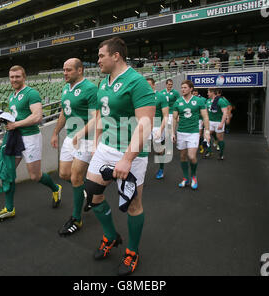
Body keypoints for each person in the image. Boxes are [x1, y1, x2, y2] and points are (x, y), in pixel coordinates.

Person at [85, 37, 156, 276]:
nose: (98, 61)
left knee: (133, 204)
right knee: (92, 193)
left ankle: (132, 252)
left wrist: (127, 158)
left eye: (101, 56)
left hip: (131, 152)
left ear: (116, 56)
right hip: (106, 147)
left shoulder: (137, 82)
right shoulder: (103, 83)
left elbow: (145, 123)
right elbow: (100, 116)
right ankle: (110, 236)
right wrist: (95, 142)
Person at [0, 65, 62, 224]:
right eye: (11, 77)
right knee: (7, 172)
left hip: (30, 138)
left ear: (24, 77)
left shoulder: (31, 93)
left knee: (35, 176)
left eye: (17, 76)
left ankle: (56, 189)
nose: (14, 79)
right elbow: (16, 116)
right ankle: (9, 209)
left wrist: (16, 124)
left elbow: (37, 117)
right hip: (15, 137)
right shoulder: (12, 96)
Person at [51, 58, 98, 236]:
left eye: (69, 70)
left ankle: (76, 219)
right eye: (64, 70)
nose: (65, 73)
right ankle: (88, 190)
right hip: (70, 138)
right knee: (64, 174)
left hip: (85, 139)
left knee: (76, 176)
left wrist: (81, 133)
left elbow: (96, 117)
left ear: (80, 70)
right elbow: (64, 112)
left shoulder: (91, 88)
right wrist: (55, 132)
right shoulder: (65, 88)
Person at [172, 80, 210, 189]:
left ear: (191, 89)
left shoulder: (199, 101)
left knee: (192, 156)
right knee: (183, 156)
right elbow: (174, 118)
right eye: (182, 87)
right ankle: (185, 178)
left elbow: (205, 117)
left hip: (193, 132)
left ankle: (193, 176)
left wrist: (207, 131)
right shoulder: (178, 102)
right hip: (181, 132)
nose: (182, 89)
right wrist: (172, 133)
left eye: (185, 87)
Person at [146, 78, 169, 180]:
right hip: (145, 126)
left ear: (154, 85)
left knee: (158, 150)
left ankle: (161, 169)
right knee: (142, 150)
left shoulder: (161, 96)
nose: (147, 87)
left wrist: (160, 129)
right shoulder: (142, 97)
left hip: (157, 127)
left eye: (149, 85)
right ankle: (140, 171)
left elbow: (166, 115)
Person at [204, 88, 229, 160]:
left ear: (212, 92)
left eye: (208, 92)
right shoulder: (208, 101)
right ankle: (209, 151)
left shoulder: (220, 101)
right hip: (210, 121)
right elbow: (205, 112)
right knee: (207, 136)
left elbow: (225, 113)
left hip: (218, 121)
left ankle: (221, 154)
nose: (207, 93)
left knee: (220, 138)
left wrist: (221, 123)